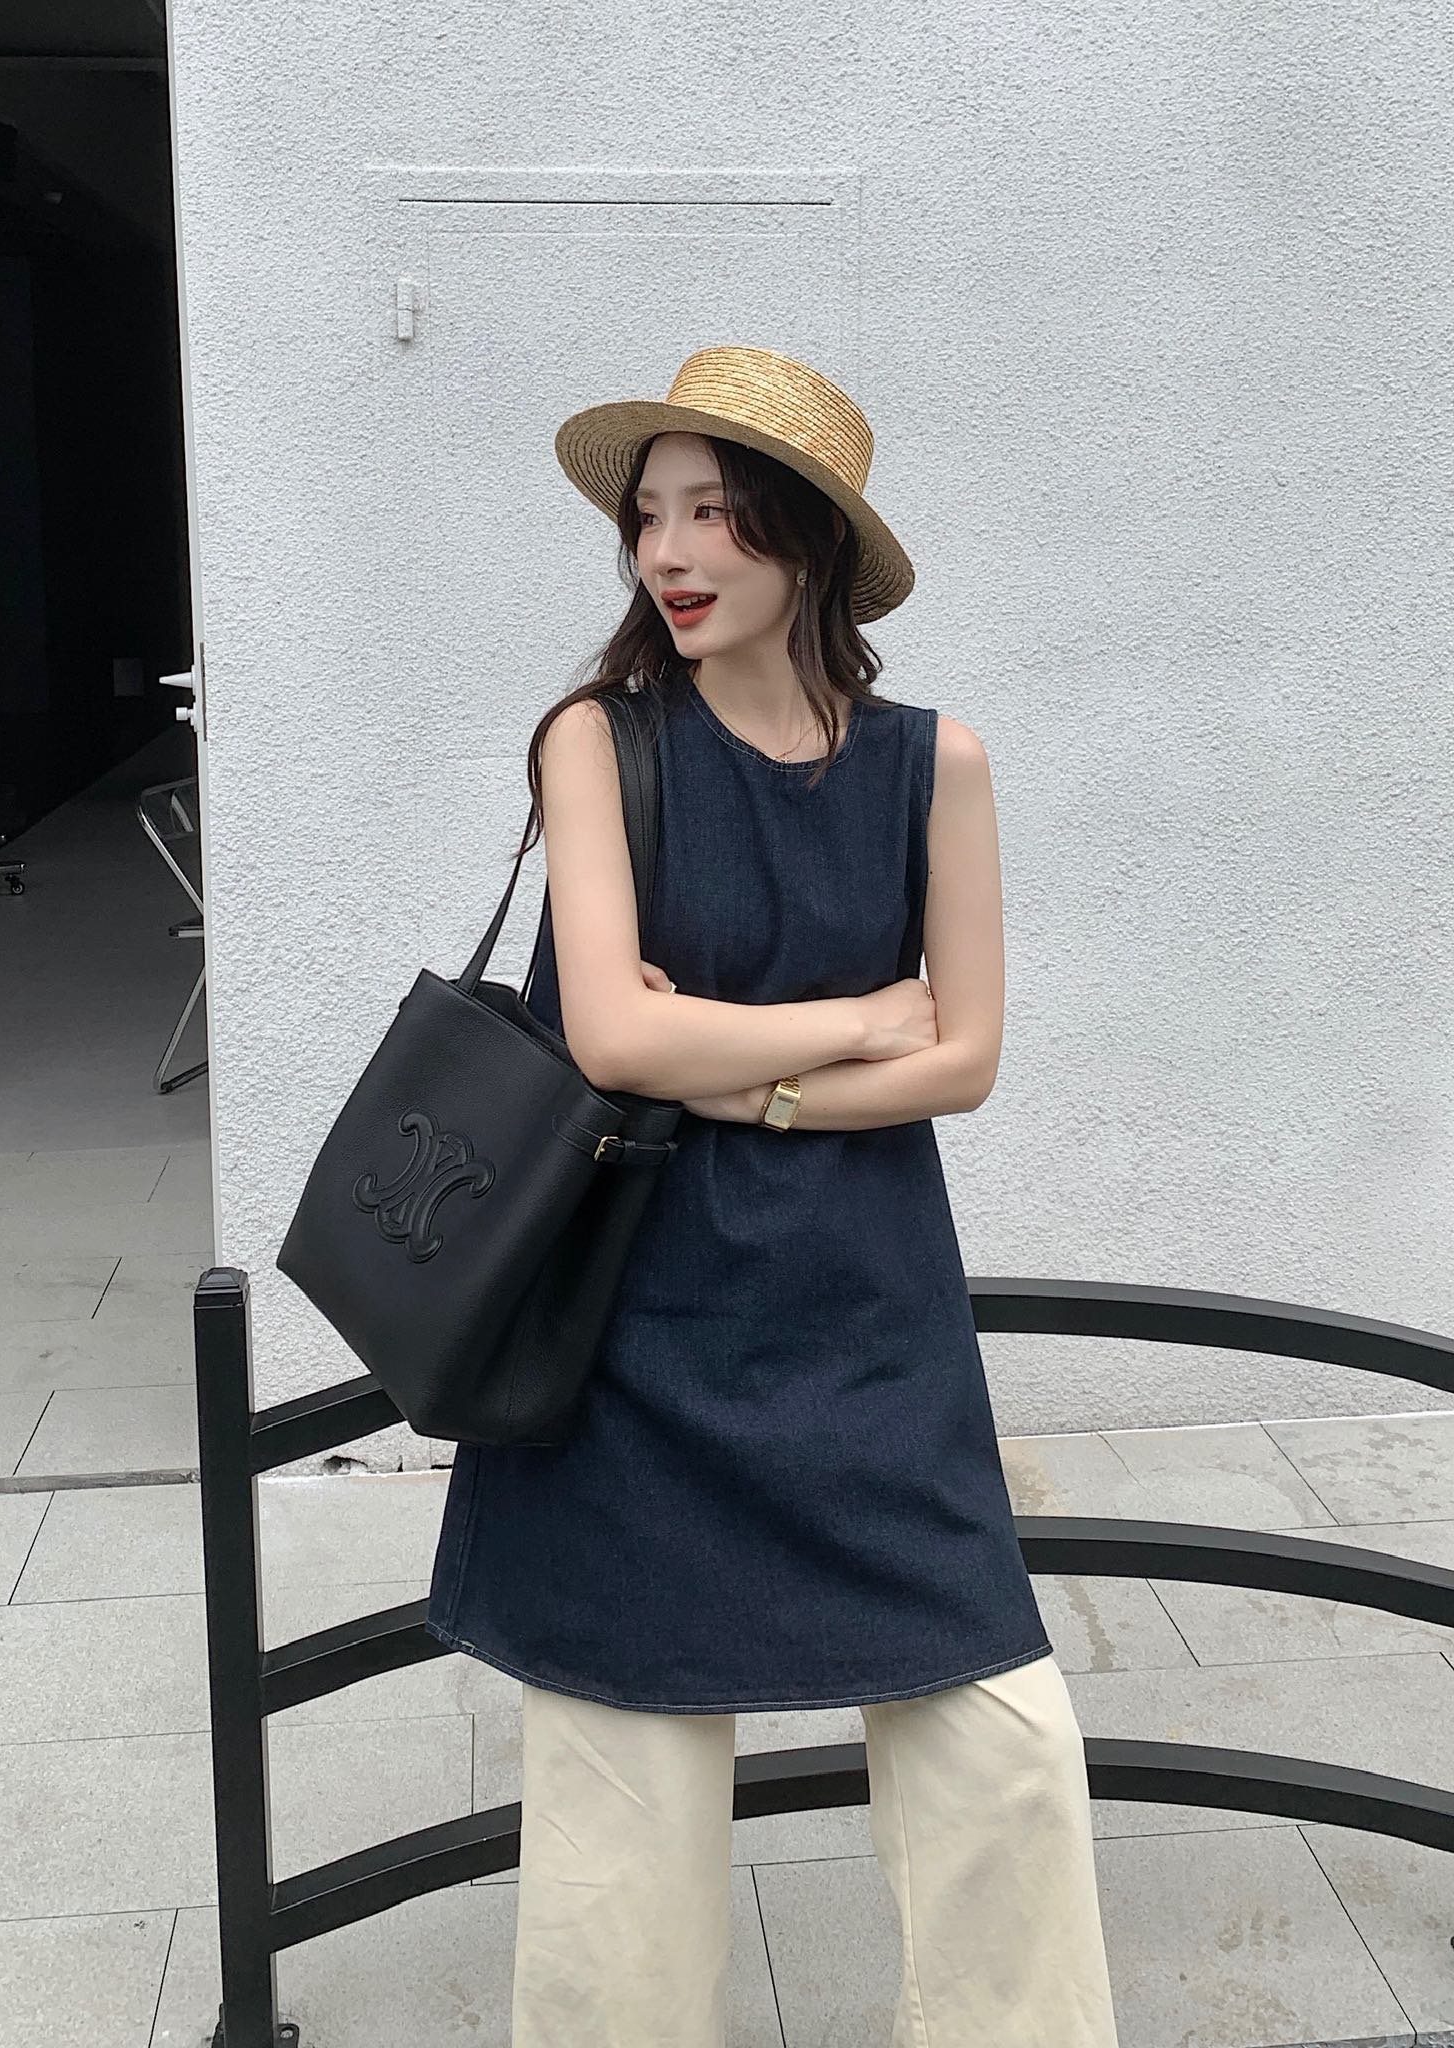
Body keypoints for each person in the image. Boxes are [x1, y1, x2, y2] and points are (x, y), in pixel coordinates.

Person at [423, 345, 1121, 2047]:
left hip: (869, 1325)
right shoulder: (597, 742)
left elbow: (967, 1060)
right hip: (632, 1333)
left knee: (1007, 1757)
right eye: (649, 516)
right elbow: (613, 1031)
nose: (669, 552)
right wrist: (855, 1023)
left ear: (808, 541)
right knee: (622, 1823)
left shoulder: (936, 764)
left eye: (714, 515)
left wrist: (745, 1076)